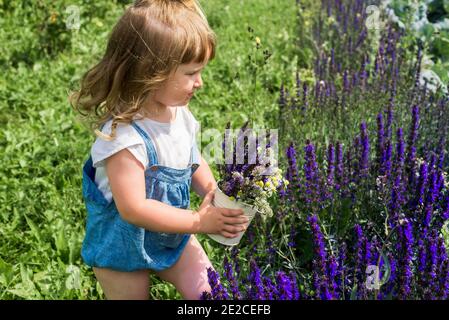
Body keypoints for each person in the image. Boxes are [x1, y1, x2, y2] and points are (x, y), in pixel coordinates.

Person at [69, 0, 248, 300]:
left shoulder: (177, 113)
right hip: (121, 248)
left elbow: (191, 157)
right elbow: (134, 209)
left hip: (171, 237)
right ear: (152, 73)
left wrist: (211, 190)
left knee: (212, 294)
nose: (200, 82)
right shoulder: (124, 138)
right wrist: (198, 222)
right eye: (191, 73)